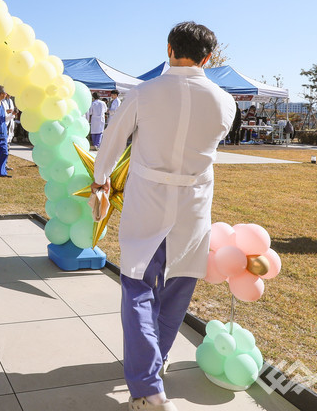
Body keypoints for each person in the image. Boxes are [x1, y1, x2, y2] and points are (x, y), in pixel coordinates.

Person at [90, 21, 235, 411]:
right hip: (193, 202)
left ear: (169, 48)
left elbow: (113, 140)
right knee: (177, 288)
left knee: (138, 286)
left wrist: (101, 181)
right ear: (209, 58)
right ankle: (158, 360)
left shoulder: (144, 92)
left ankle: (148, 387)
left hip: (149, 198)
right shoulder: (226, 101)